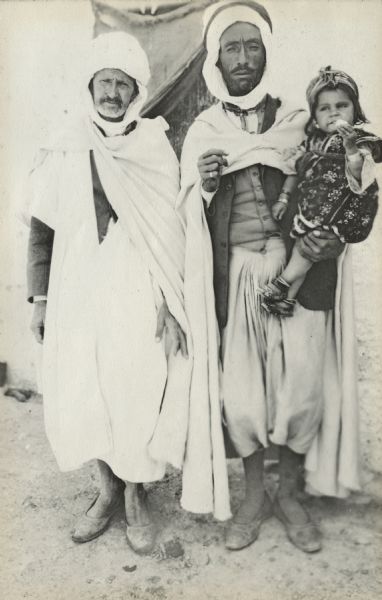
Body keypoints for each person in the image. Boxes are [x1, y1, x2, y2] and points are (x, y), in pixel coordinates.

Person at [26, 31, 230, 554]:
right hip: (77, 285)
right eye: (106, 82)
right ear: (90, 85)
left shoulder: (152, 143)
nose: (113, 93)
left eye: (123, 84)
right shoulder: (67, 139)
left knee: (137, 382)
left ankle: (138, 492)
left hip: (138, 285)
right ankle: (106, 489)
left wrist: (169, 301)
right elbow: (42, 228)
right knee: (84, 387)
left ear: (136, 90)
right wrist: (41, 299)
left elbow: (170, 228)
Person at [179, 0, 362, 554]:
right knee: (242, 395)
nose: (243, 57)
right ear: (217, 58)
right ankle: (255, 494)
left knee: (302, 385)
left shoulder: (298, 120)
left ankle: (290, 494)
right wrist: (205, 184)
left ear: (265, 53)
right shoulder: (204, 128)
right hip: (235, 270)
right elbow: (185, 208)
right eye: (232, 47)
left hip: (296, 263)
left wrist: (327, 241)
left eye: (252, 46)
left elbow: (343, 173)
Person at [261, 66, 380, 316]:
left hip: (339, 207)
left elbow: (359, 173)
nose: (334, 113)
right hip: (313, 205)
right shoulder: (312, 141)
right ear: (314, 115)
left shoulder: (358, 141)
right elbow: (295, 170)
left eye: (342, 106)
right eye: (324, 108)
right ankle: (287, 301)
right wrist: (284, 197)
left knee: (307, 247)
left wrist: (350, 148)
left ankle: (282, 284)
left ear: (354, 110)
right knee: (301, 246)